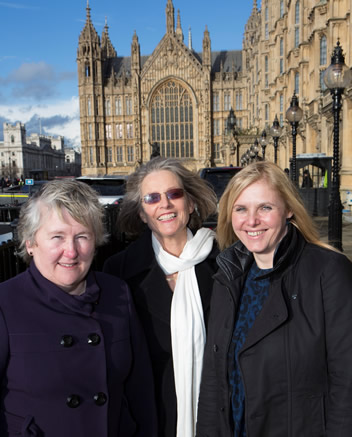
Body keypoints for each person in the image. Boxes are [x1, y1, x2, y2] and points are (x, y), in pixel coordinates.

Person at [196, 161, 352, 437]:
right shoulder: (227, 277)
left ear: (289, 209)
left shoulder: (328, 271)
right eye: (241, 209)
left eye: (265, 208)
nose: (251, 220)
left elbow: (346, 379)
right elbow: (214, 380)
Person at [0, 179, 157, 437]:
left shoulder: (117, 293)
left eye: (82, 236)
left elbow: (140, 390)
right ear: (30, 243)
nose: (71, 251)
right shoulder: (6, 304)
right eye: (57, 237)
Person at [104, 157, 219, 437]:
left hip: (216, 417)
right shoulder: (118, 271)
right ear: (142, 213)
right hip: (152, 420)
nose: (164, 204)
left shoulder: (227, 264)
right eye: (152, 198)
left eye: (174, 194)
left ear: (190, 203)